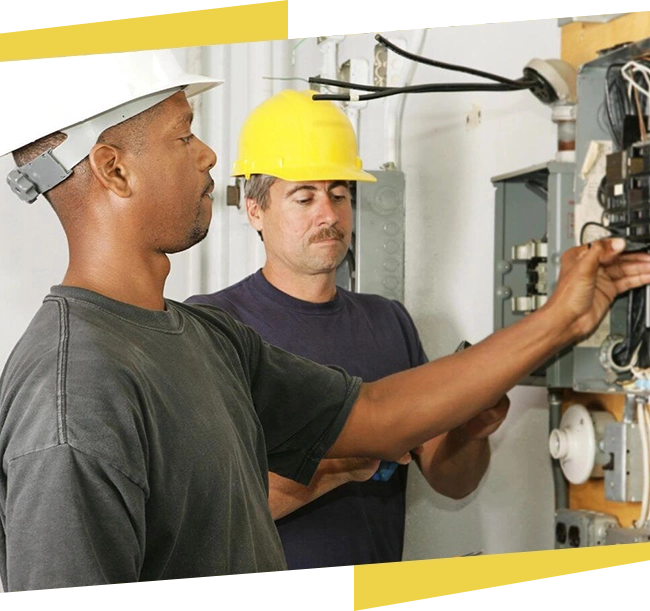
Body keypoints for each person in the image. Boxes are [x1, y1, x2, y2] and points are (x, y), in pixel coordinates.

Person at [0, 52, 648, 593]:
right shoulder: (71, 392)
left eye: (336, 191)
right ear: (114, 167)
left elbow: (378, 413)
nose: (207, 155)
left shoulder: (206, 340)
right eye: (183, 134)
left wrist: (564, 317)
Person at [186, 89, 510, 570]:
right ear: (256, 210)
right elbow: (209, 511)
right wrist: (347, 459)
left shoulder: (389, 322)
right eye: (305, 196)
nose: (329, 214)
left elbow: (451, 481)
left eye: (339, 194)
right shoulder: (213, 327)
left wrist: (473, 433)